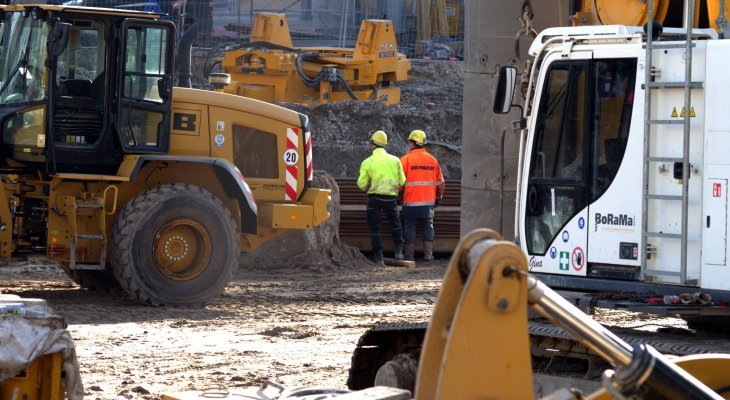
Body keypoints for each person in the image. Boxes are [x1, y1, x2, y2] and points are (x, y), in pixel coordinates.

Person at [357, 130, 406, 265]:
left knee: (375, 228)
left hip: (374, 199)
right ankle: (399, 253)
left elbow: (361, 184)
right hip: (390, 199)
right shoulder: (395, 160)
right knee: (396, 225)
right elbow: (402, 181)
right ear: (385, 145)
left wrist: (368, 186)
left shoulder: (367, 162)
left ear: (373, 144)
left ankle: (379, 258)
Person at [400, 129, 445, 261]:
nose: (408, 144)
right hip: (428, 203)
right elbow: (441, 183)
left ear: (413, 143)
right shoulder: (432, 160)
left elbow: (399, 182)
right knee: (428, 226)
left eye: (409, 142)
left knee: (409, 227)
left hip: (410, 202)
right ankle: (428, 255)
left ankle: (409, 256)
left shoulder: (405, 160)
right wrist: (438, 197)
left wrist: (398, 196)